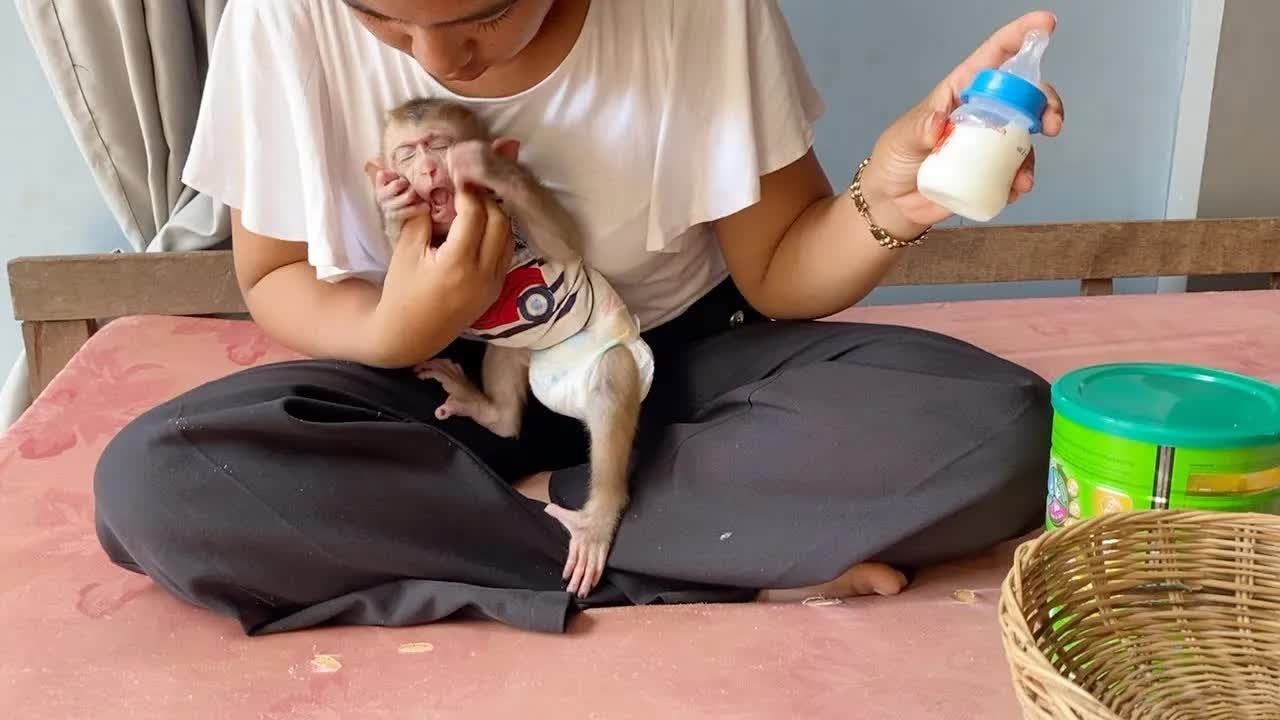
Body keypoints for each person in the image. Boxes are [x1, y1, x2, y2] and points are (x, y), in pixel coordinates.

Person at [93, 0, 1065, 635]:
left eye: (483, 13)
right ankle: (679, 557)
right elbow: (269, 273)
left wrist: (884, 205)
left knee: (998, 424)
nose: (437, 58)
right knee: (158, 482)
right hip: (419, 394)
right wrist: (401, 330)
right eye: (379, 19)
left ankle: (561, 527)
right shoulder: (277, 20)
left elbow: (775, 274)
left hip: (657, 369)